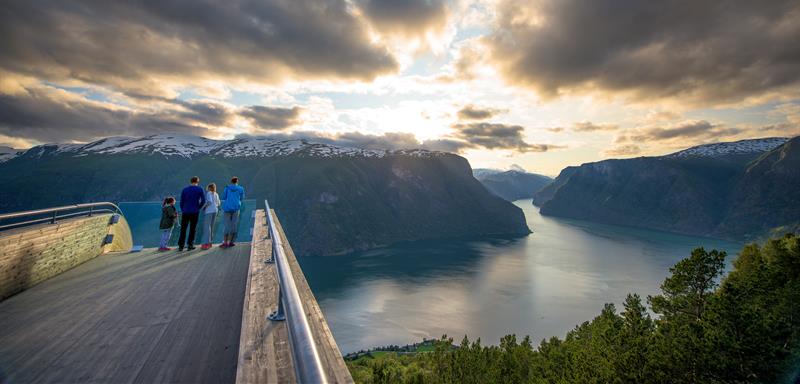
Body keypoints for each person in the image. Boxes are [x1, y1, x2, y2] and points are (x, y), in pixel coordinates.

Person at [178, 176, 206, 251]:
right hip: (194, 211)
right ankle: (190, 245)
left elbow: (181, 201)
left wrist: (183, 209)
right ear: (197, 181)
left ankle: (181, 246)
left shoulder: (185, 189)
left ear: (190, 181)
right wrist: (198, 207)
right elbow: (203, 200)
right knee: (193, 229)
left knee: (183, 229)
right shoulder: (200, 189)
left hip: (185, 211)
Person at [221, 176, 245, 248]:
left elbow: (224, 197)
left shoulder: (227, 188)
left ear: (231, 181)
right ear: (237, 182)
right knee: (234, 225)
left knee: (226, 225)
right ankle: (231, 242)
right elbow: (242, 198)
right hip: (236, 208)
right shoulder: (241, 189)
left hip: (227, 208)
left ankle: (225, 242)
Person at [201, 183, 220, 250]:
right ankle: (210, 242)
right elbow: (218, 203)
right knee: (211, 226)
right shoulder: (216, 194)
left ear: (209, 188)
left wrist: (204, 207)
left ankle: (206, 243)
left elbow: (209, 202)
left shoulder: (209, 193)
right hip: (215, 210)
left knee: (207, 227)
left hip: (209, 211)